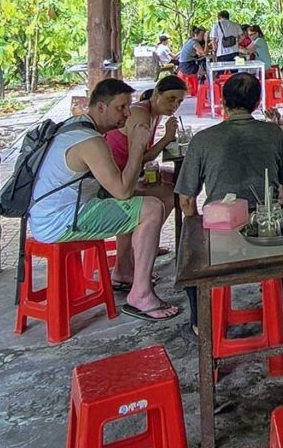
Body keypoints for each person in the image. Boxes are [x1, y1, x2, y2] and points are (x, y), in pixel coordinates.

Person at [27, 78, 180, 321]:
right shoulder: (91, 141)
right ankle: (140, 294)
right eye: (120, 108)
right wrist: (138, 148)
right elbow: (122, 192)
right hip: (62, 220)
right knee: (150, 208)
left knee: (145, 199)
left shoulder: (74, 127)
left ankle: (124, 270)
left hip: (50, 215)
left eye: (128, 107)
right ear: (100, 108)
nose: (127, 113)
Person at [175, 72, 283, 329]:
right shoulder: (273, 134)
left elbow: (186, 200)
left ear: (222, 101)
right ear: (256, 103)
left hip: (221, 225)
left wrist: (197, 229)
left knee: (188, 257)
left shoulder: (203, 140)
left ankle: (201, 322)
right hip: (266, 224)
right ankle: (282, 308)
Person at [105, 75, 187, 256]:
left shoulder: (153, 113)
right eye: (170, 99)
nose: (174, 105)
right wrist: (166, 139)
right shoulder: (140, 114)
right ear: (157, 94)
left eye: (179, 102)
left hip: (130, 173)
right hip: (116, 179)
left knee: (172, 179)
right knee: (168, 193)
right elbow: (139, 158)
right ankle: (142, 245)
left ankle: (147, 241)